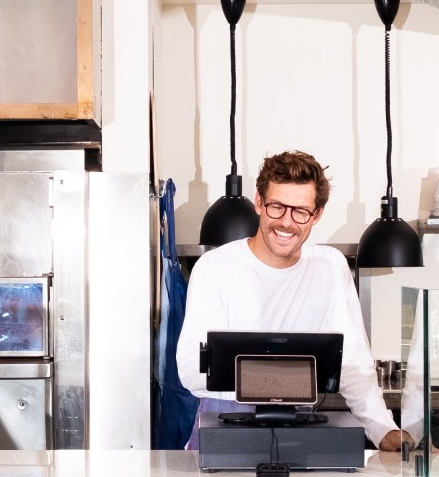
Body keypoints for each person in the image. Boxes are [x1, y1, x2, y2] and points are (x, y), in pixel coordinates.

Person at [175, 150, 412, 452]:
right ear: (259, 202)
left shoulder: (330, 266)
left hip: (297, 430)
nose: (286, 223)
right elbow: (191, 370)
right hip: (223, 429)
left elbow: (353, 366)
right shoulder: (215, 267)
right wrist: (294, 377)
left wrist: (383, 430)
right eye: (277, 207)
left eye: (300, 211)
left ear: (317, 214)